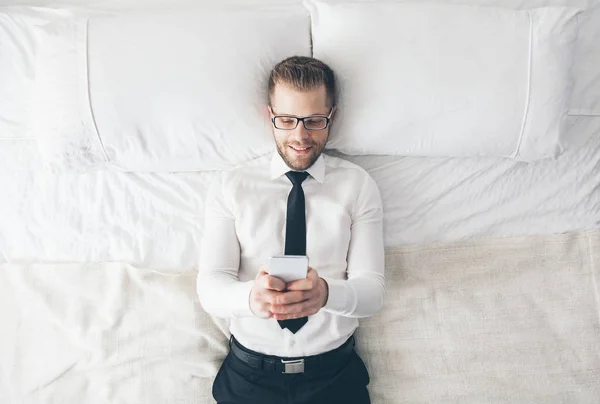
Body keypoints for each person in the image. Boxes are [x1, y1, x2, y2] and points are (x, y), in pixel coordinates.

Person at [197, 56, 385, 404]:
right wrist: (251, 298)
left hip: (334, 377)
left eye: (314, 121)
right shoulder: (230, 186)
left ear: (333, 117)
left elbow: (372, 292)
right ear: (270, 116)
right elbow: (210, 287)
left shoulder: (358, 186)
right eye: (286, 120)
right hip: (249, 377)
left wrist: (326, 294)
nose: (300, 136)